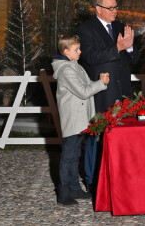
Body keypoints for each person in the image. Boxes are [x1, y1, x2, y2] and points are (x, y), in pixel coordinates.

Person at [76, 0, 140, 190]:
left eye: (116, 7)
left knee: (122, 136)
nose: (115, 11)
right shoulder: (85, 29)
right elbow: (90, 57)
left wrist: (129, 49)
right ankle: (92, 180)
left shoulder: (121, 27)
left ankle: (119, 176)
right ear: (98, 9)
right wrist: (117, 48)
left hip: (123, 92)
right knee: (97, 135)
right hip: (101, 92)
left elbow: (135, 59)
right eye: (110, 8)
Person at [52, 36, 110, 206]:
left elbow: (86, 85)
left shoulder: (74, 66)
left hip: (79, 117)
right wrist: (100, 83)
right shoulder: (67, 70)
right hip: (73, 118)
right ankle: (64, 192)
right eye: (76, 49)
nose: (80, 52)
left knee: (75, 153)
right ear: (66, 51)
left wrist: (99, 81)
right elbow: (84, 92)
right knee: (69, 154)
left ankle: (74, 187)